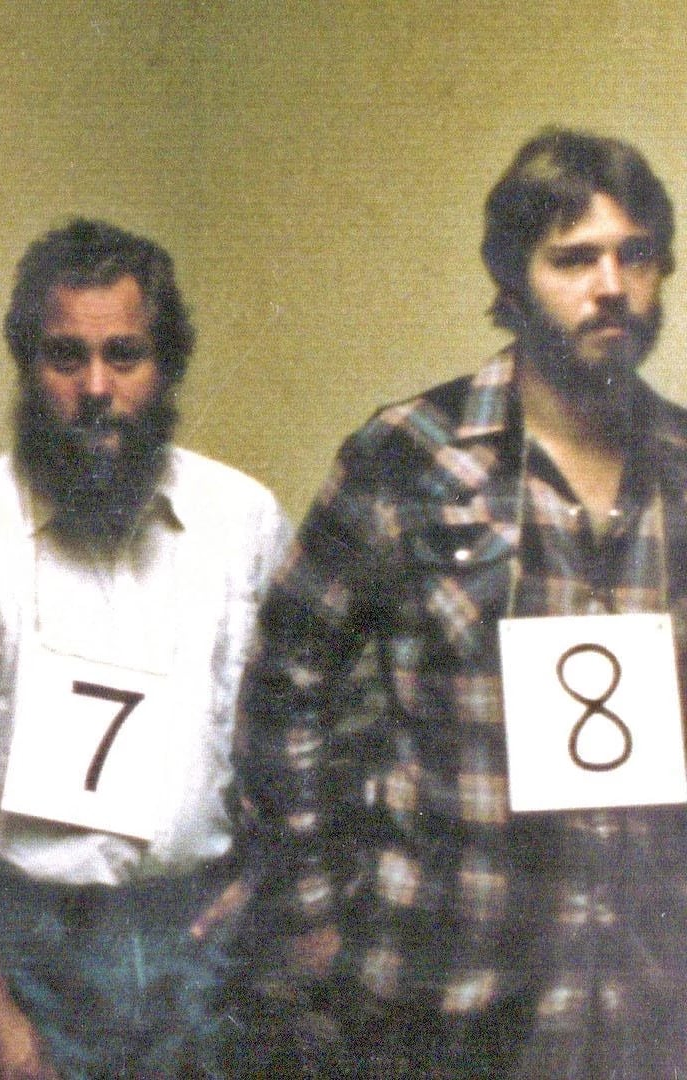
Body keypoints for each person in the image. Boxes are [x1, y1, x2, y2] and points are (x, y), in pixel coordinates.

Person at [235, 128, 687, 1079]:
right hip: (450, 991)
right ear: (512, 279)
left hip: (645, 996)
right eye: (574, 259)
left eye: (636, 255)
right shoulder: (410, 453)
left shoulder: (681, 466)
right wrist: (309, 912)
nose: (611, 285)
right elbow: (286, 683)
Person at [0, 218, 288, 1079]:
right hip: (28, 943)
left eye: (124, 356)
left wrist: (263, 880)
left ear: (165, 366)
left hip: (197, 941)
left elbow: (291, 724)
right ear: (27, 365)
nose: (96, 387)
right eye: (65, 357)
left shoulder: (245, 521)